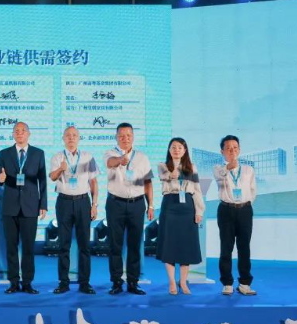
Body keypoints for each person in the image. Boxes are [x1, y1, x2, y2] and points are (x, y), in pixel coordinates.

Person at [0, 122, 47, 294]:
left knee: (29, 247)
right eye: (16, 131)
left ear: (28, 134)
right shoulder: (4, 153)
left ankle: (28, 283)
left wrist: (43, 204)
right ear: (13, 134)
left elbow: (42, 181)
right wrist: (0, 178)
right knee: (11, 247)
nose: (19, 133)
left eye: (23, 131)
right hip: (10, 206)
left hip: (30, 206)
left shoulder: (38, 153)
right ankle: (13, 282)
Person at [103, 122, 154, 295]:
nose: (125, 138)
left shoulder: (142, 157)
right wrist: (120, 160)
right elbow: (110, 163)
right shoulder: (110, 153)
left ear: (133, 137)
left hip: (137, 204)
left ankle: (133, 282)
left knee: (135, 244)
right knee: (115, 245)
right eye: (122, 136)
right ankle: (116, 282)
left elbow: (148, 182)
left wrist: (150, 205)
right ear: (116, 137)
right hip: (115, 204)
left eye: (128, 135)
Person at [49, 126, 99, 294]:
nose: (71, 138)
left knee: (84, 245)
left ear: (79, 138)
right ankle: (63, 282)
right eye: (68, 135)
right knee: (63, 244)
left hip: (83, 202)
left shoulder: (87, 157)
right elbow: (52, 177)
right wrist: (61, 168)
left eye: (74, 135)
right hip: (64, 202)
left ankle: (85, 283)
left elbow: (93, 182)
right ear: (63, 138)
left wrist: (94, 205)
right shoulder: (57, 157)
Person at [156, 138, 204, 295]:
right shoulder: (163, 166)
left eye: (180, 147)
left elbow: (197, 189)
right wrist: (176, 172)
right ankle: (171, 282)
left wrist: (199, 211)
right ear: (169, 150)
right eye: (173, 147)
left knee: (186, 245)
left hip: (187, 205)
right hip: (170, 204)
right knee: (169, 244)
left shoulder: (192, 167)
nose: (176, 150)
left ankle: (183, 282)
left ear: (185, 150)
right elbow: (166, 176)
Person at [213, 135, 257, 296]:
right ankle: (227, 283)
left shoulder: (248, 169)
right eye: (228, 148)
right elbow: (220, 178)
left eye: (235, 148)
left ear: (239, 150)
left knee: (244, 247)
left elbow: (252, 190)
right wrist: (229, 167)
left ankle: (244, 283)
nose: (232, 151)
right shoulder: (218, 168)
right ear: (222, 151)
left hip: (244, 210)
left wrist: (244, 204)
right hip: (226, 210)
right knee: (226, 248)